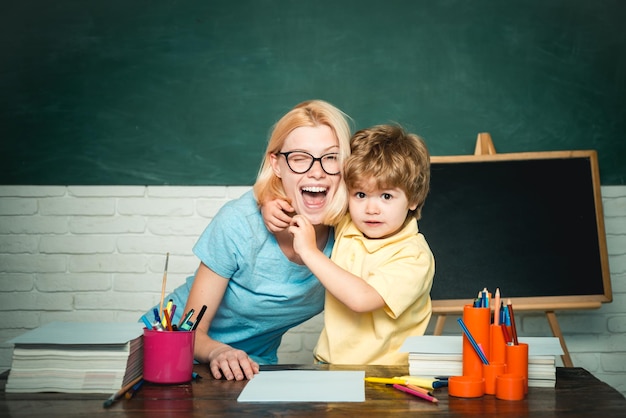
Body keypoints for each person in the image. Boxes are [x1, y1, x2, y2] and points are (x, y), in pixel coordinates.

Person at [143, 99, 352, 380]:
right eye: (300, 158)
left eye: (331, 157)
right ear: (276, 165)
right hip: (170, 351)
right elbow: (189, 331)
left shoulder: (353, 233)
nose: (317, 171)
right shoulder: (240, 223)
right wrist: (219, 352)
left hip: (250, 367)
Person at [263, 124, 434, 365]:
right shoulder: (349, 223)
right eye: (360, 195)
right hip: (328, 365)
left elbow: (361, 299)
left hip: (384, 375)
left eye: (386, 196)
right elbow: (308, 202)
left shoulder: (414, 256)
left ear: (414, 198)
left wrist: (310, 252)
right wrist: (269, 203)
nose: (371, 209)